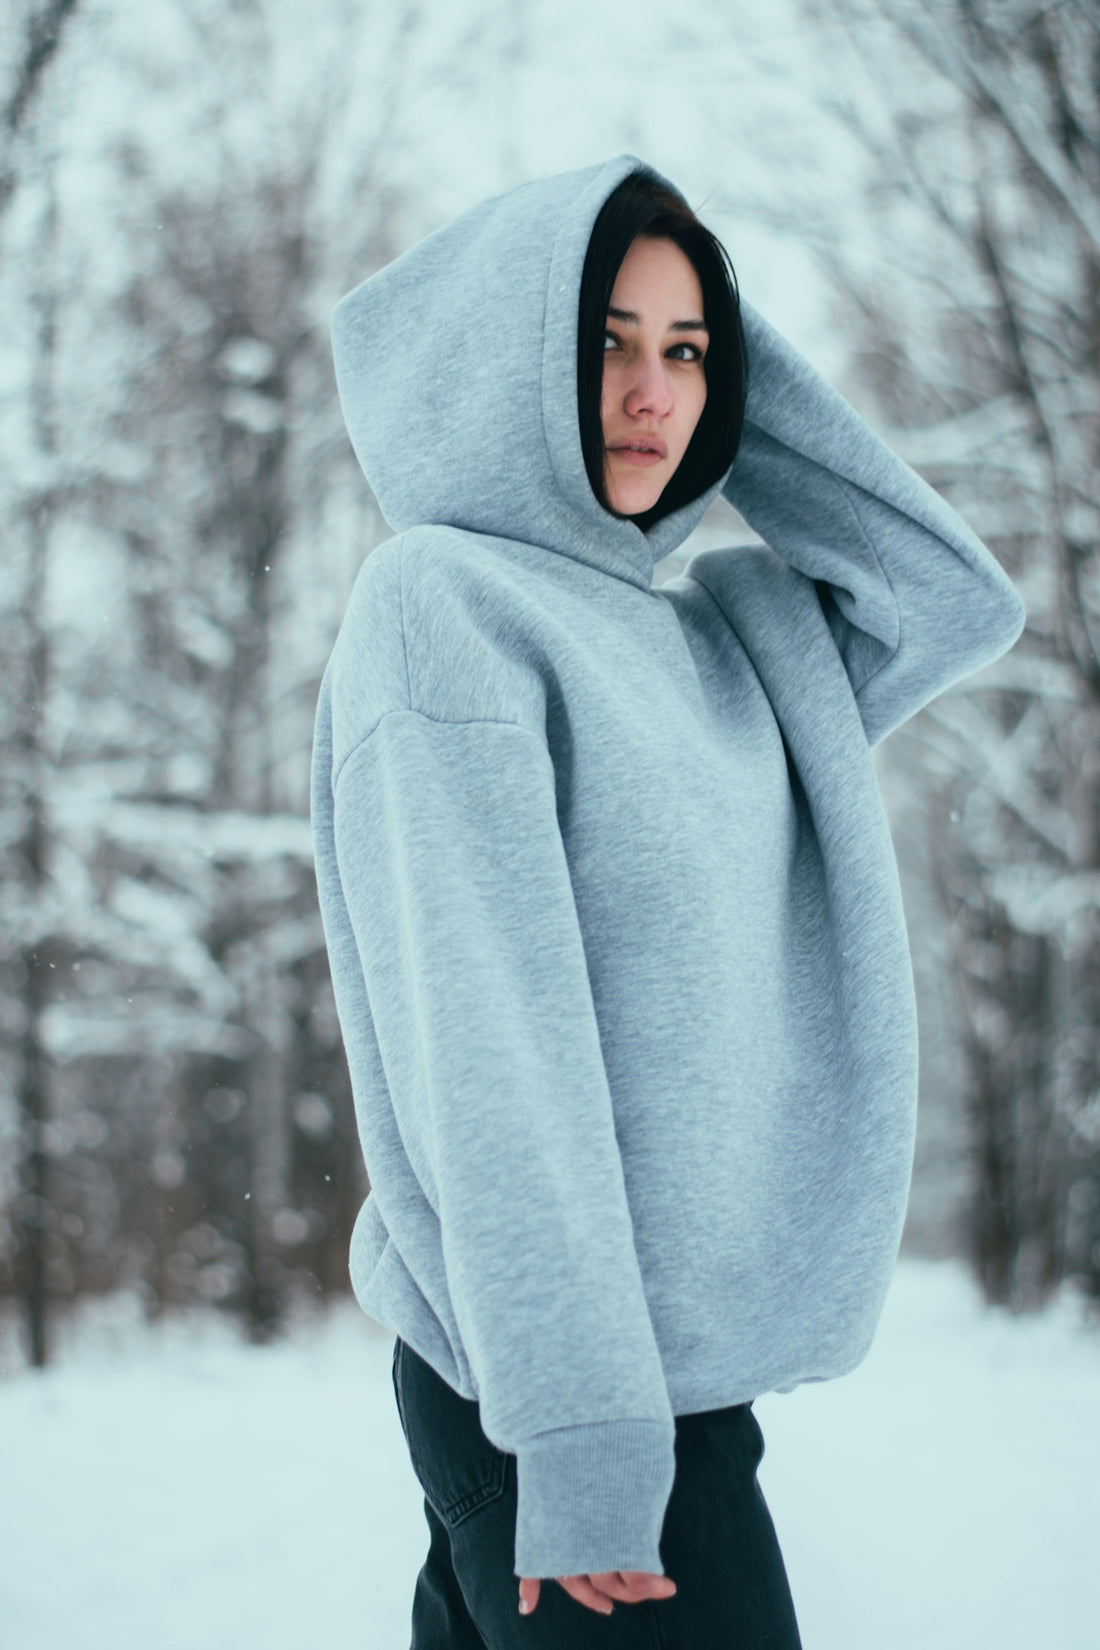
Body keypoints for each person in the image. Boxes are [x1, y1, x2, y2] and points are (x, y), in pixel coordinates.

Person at [310, 156, 1025, 1647]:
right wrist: (579, 1443)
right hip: (559, 1399)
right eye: (603, 343)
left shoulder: (740, 641)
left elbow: (951, 598)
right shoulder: (446, 605)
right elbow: (495, 1063)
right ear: (511, 361)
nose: (653, 391)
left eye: (687, 350)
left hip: (674, 1396)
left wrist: (737, 374)